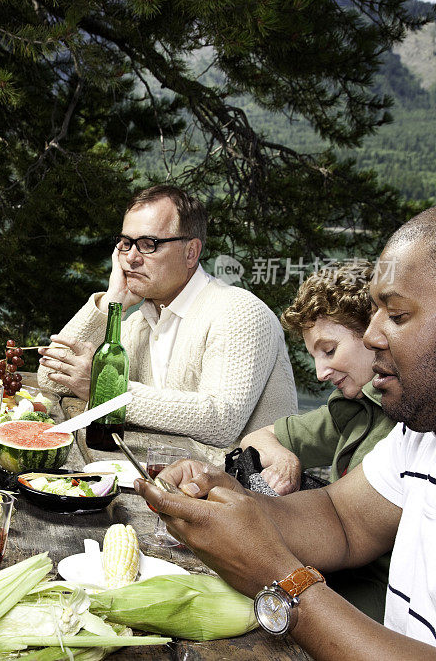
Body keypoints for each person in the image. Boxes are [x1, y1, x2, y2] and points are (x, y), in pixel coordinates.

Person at [137, 206, 436, 659]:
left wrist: (279, 578)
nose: (373, 335)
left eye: (395, 315)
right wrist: (233, 502)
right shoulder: (421, 434)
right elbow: (342, 518)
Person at [37, 184, 297, 448]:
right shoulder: (140, 319)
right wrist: (111, 300)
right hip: (160, 477)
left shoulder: (239, 311)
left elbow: (221, 422)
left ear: (191, 253)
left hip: (242, 485)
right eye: (126, 244)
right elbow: (49, 377)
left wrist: (110, 392)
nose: (131, 258)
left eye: (148, 244)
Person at [239, 260, 395, 621]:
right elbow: (259, 435)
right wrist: (285, 458)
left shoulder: (406, 418)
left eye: (329, 350)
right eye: (314, 356)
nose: (321, 372)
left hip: (377, 609)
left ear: (372, 329)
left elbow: (345, 528)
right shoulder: (353, 406)